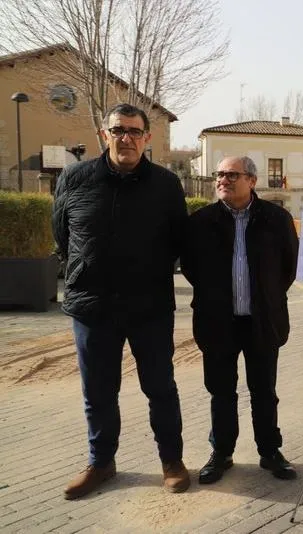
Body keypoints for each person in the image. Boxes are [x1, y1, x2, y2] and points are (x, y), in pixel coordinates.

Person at [52, 103, 190, 499]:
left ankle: (172, 461)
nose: (125, 138)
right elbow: (62, 235)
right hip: (92, 308)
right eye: (118, 131)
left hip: (149, 308)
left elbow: (179, 241)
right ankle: (102, 462)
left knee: (160, 387)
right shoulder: (76, 178)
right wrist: (82, 271)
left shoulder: (165, 184)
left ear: (147, 139)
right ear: (104, 134)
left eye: (134, 131)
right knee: (97, 391)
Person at [181, 156, 299, 484]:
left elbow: (288, 267)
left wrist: (267, 297)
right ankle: (221, 453)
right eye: (219, 175)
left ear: (251, 180)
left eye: (232, 175)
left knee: (264, 391)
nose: (223, 180)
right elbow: (190, 267)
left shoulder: (276, 219)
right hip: (217, 321)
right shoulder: (201, 221)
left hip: (262, 321)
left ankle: (270, 452)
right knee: (221, 391)